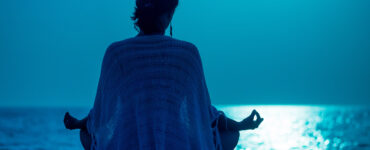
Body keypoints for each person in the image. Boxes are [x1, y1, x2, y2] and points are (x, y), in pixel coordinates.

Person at [64, 0, 263, 149]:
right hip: (176, 141)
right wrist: (240, 125)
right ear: (168, 15)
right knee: (230, 135)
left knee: (87, 134)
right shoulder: (187, 53)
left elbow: (101, 117)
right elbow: (205, 115)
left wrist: (78, 124)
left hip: (129, 141)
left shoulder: (116, 53)